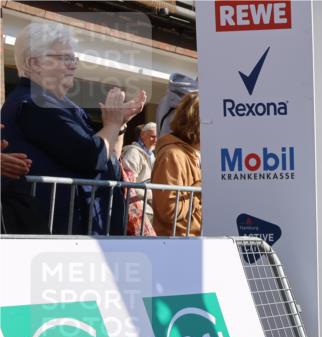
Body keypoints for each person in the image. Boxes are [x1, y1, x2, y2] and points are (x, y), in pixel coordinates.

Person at [1, 22, 146, 235]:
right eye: (64, 58)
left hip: (79, 232)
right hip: (58, 237)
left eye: (73, 58)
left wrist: (118, 125)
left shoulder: (55, 104)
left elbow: (106, 157)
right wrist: (112, 124)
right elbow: (90, 157)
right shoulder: (34, 104)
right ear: (34, 63)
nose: (73, 65)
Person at [150, 91, 201, 236]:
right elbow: (170, 210)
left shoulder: (190, 154)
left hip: (191, 242)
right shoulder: (172, 155)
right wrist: (199, 190)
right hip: (180, 246)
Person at [121, 122, 157, 229]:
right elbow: (128, 184)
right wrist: (152, 195)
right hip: (136, 209)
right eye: (152, 137)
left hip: (147, 208)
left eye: (157, 137)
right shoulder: (133, 153)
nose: (156, 140)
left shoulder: (151, 155)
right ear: (142, 135)